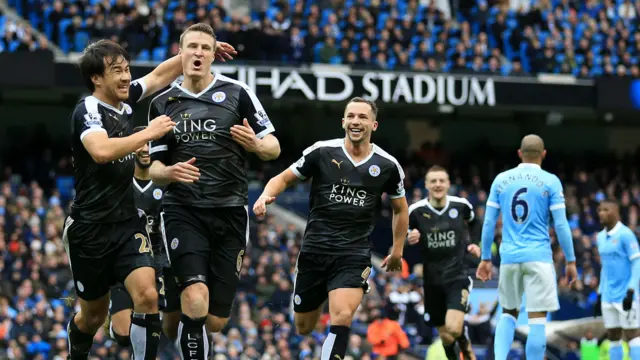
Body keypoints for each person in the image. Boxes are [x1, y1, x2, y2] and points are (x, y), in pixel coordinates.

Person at [147, 23, 281, 360]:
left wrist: (255, 145)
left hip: (231, 210)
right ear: (180, 53)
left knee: (216, 321)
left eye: (205, 48)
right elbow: (153, 168)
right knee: (196, 301)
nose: (198, 53)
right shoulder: (163, 103)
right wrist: (169, 171)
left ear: (213, 54)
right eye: (192, 47)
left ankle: (177, 291)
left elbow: (274, 147)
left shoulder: (238, 93)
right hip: (183, 209)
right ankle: (182, 290)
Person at [252, 97, 409, 360]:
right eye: (351, 116)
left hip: (353, 252)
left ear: (374, 124)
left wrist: (397, 250)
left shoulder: (387, 165)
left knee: (342, 315)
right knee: (304, 327)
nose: (356, 121)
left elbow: (401, 209)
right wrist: (265, 195)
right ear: (343, 121)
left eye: (362, 117)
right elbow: (284, 178)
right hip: (314, 250)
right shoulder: (322, 152)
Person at [64, 40, 181, 360]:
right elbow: (101, 152)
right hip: (90, 229)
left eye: (127, 69)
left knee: (147, 295)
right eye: (117, 70)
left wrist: (193, 54)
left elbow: (158, 77)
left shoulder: (125, 100)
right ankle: (76, 348)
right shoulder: (87, 109)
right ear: (96, 79)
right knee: (92, 317)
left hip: (128, 222)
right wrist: (148, 132)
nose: (127, 76)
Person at [476, 134, 577, 360]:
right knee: (537, 320)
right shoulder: (551, 181)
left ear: (519, 154)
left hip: (510, 257)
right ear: (544, 154)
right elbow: (561, 224)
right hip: (539, 257)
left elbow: (489, 222)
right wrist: (571, 261)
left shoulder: (501, 180)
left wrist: (485, 258)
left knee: (508, 314)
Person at [102, 126, 168, 349]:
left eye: (150, 143)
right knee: (123, 334)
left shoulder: (167, 183)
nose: (146, 148)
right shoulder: (119, 183)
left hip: (157, 262)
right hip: (125, 257)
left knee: (160, 327)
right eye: (142, 142)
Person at [406, 165, 479, 360]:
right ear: (426, 185)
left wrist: (474, 244)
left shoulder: (461, 206)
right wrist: (409, 237)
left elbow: (475, 222)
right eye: (433, 181)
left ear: (448, 184)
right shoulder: (416, 211)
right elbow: (404, 233)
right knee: (446, 336)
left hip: (457, 275)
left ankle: (466, 346)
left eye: (441, 181)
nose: (437, 184)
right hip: (431, 281)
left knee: (454, 328)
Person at [594, 199, 640, 360]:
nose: (601, 213)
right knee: (613, 335)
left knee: (632, 334)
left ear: (616, 212)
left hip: (625, 293)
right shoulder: (600, 237)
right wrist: (599, 293)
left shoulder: (626, 234)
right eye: (599, 210)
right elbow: (605, 268)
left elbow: (637, 263)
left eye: (606, 210)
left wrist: (631, 290)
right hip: (608, 294)